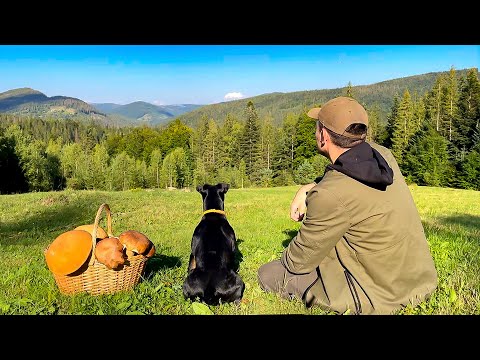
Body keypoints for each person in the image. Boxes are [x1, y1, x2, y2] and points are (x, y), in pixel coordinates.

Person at [257, 96, 438, 315]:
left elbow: (297, 262)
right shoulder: (383, 156)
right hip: (419, 279)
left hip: (382, 296)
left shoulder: (329, 195)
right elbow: (343, 172)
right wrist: (308, 187)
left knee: (270, 273)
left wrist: (315, 195)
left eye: (318, 127)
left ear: (323, 136)